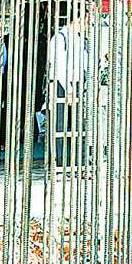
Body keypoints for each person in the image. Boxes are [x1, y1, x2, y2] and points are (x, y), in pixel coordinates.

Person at [46, 10, 89, 167]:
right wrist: (69, 90)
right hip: (60, 84)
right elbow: (59, 67)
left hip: (77, 84)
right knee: (59, 125)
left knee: (79, 124)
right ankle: (58, 162)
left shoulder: (80, 39)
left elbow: (85, 63)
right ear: (75, 20)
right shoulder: (59, 38)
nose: (86, 25)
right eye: (84, 21)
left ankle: (77, 161)